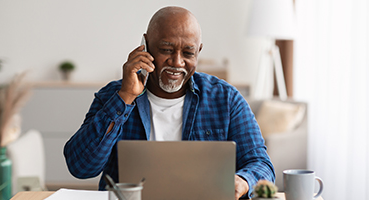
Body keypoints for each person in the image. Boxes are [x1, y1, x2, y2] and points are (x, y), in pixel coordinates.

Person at [64, 6, 275, 199]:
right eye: (166, 49)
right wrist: (125, 97)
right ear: (145, 46)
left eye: (188, 53)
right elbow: (80, 167)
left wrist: (244, 180)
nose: (177, 62)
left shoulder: (225, 99)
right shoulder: (113, 95)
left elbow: (261, 164)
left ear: (198, 51)